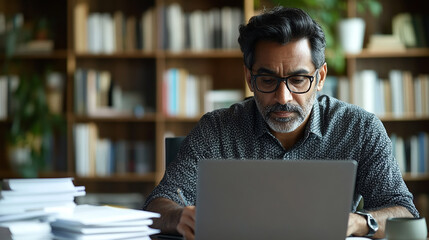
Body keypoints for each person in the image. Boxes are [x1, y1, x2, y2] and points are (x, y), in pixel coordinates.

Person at [144, 6, 418, 239]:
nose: (283, 97)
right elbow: (157, 205)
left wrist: (357, 222)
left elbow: (404, 213)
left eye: (298, 80)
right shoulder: (216, 129)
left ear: (320, 77)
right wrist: (180, 216)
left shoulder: (360, 129)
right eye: (267, 80)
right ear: (250, 79)